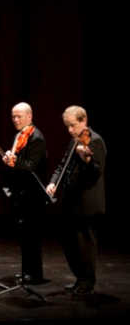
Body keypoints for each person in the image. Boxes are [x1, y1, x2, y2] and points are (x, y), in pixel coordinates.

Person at [46, 106, 106, 295]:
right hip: (71, 201)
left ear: (83, 121)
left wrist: (87, 160)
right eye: (67, 127)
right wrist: (53, 182)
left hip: (87, 202)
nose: (70, 130)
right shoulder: (74, 142)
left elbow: (97, 171)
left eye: (72, 126)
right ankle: (80, 277)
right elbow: (62, 166)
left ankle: (87, 282)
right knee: (69, 240)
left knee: (84, 243)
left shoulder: (95, 141)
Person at [0, 102, 48, 285]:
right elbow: (18, 163)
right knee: (25, 235)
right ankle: (26, 270)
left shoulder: (36, 137)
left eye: (19, 116)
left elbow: (31, 166)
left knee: (33, 236)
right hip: (22, 193)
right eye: (13, 116)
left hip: (33, 194)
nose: (15, 119)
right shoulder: (19, 135)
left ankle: (35, 274)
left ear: (29, 116)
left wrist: (14, 160)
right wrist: (9, 160)